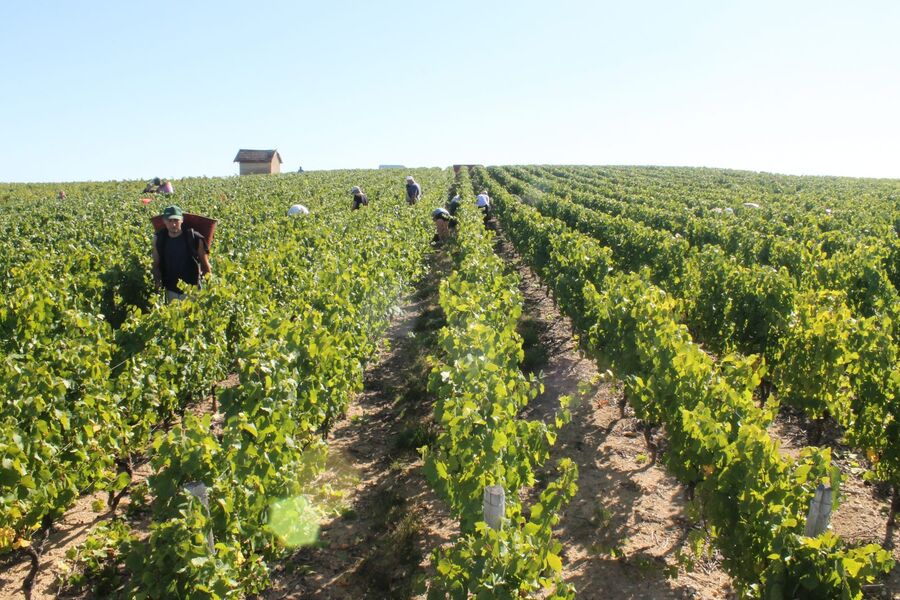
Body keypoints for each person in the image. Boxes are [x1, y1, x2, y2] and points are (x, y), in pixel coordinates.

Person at [151, 205, 211, 302]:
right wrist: (157, 284)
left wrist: (209, 290)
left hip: (192, 290)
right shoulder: (159, 239)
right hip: (170, 290)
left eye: (176, 220)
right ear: (164, 221)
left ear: (182, 220)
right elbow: (156, 264)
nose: (173, 224)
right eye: (170, 221)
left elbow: (205, 265)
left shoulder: (194, 238)